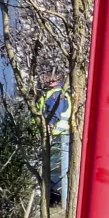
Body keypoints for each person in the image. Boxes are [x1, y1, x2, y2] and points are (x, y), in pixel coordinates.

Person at [35, 76, 70, 204]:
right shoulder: (52, 93)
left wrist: (48, 128)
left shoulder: (57, 94)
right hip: (54, 136)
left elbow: (53, 115)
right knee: (51, 170)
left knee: (54, 170)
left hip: (56, 136)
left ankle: (54, 200)